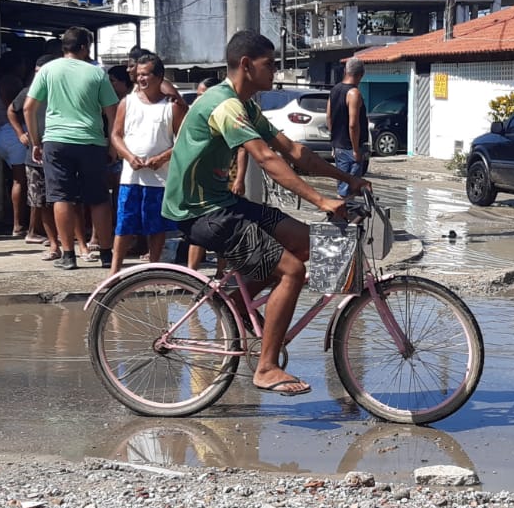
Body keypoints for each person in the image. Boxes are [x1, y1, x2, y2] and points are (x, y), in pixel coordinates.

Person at [163, 31, 368, 396]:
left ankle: (238, 307)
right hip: (200, 212)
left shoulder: (245, 105)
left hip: (222, 204)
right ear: (246, 65)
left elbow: (292, 150)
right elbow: (267, 159)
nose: (275, 72)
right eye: (269, 65)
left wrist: (347, 178)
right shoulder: (224, 106)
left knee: (309, 244)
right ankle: (267, 367)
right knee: (293, 270)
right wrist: (321, 201)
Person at [24, 27, 118, 270]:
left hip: (56, 142)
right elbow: (112, 111)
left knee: (61, 197)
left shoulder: (47, 70)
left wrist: (36, 141)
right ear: (85, 47)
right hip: (91, 141)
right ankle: (106, 254)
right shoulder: (96, 74)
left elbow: (28, 108)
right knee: (98, 199)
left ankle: (68, 255)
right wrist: (112, 143)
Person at [109, 53, 185, 274]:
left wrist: (161, 158)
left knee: (156, 228)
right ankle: (114, 272)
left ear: (159, 76)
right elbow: (116, 135)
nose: (141, 79)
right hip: (131, 176)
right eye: (138, 75)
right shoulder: (127, 102)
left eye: (146, 75)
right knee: (123, 225)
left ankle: (153, 269)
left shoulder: (172, 106)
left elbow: (184, 142)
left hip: (160, 178)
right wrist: (129, 156)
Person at [9, 54, 68, 262]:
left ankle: (75, 244)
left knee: (65, 200)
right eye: (36, 72)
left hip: (61, 151)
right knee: (40, 202)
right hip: (35, 154)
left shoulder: (62, 91)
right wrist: (20, 134)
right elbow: (12, 111)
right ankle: (53, 244)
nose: (38, 76)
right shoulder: (29, 92)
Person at [0, 55, 31, 240]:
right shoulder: (10, 81)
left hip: (3, 133)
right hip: (14, 133)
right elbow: (17, 108)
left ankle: (17, 221)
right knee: (21, 180)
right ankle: (19, 224)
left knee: (15, 180)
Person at [327, 57, 368, 197]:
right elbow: (353, 124)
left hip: (338, 146)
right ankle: (343, 214)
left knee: (342, 185)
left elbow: (328, 117)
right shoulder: (354, 94)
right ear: (361, 75)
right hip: (350, 148)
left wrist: (333, 142)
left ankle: (341, 213)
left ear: (345, 71)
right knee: (350, 189)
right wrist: (356, 150)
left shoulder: (334, 90)